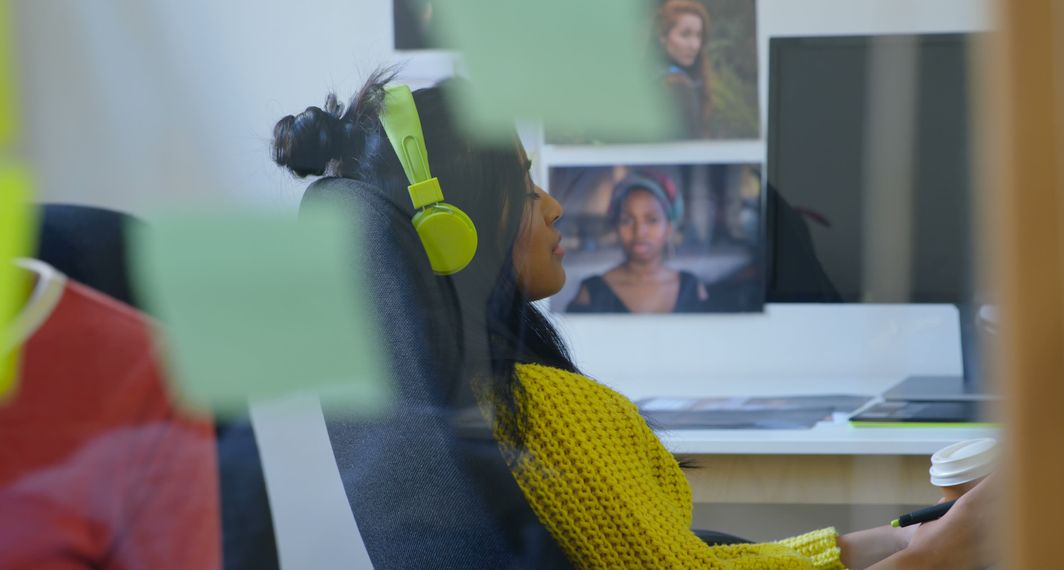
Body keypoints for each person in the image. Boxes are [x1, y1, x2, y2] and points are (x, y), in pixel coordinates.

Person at [272, 72, 995, 569]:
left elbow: (676, 560)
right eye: (524, 186)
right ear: (450, 230)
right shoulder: (546, 411)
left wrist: (879, 543)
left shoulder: (477, 406)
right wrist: (937, 554)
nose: (552, 205)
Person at [566, 171, 709, 313]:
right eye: (627, 220)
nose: (639, 232)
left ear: (669, 228)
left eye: (652, 220)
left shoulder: (692, 289)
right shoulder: (591, 293)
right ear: (616, 228)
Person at [657, 0, 715, 139]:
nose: (694, 45)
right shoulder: (676, 85)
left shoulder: (691, 79)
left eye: (698, 35)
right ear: (663, 37)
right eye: (685, 34)